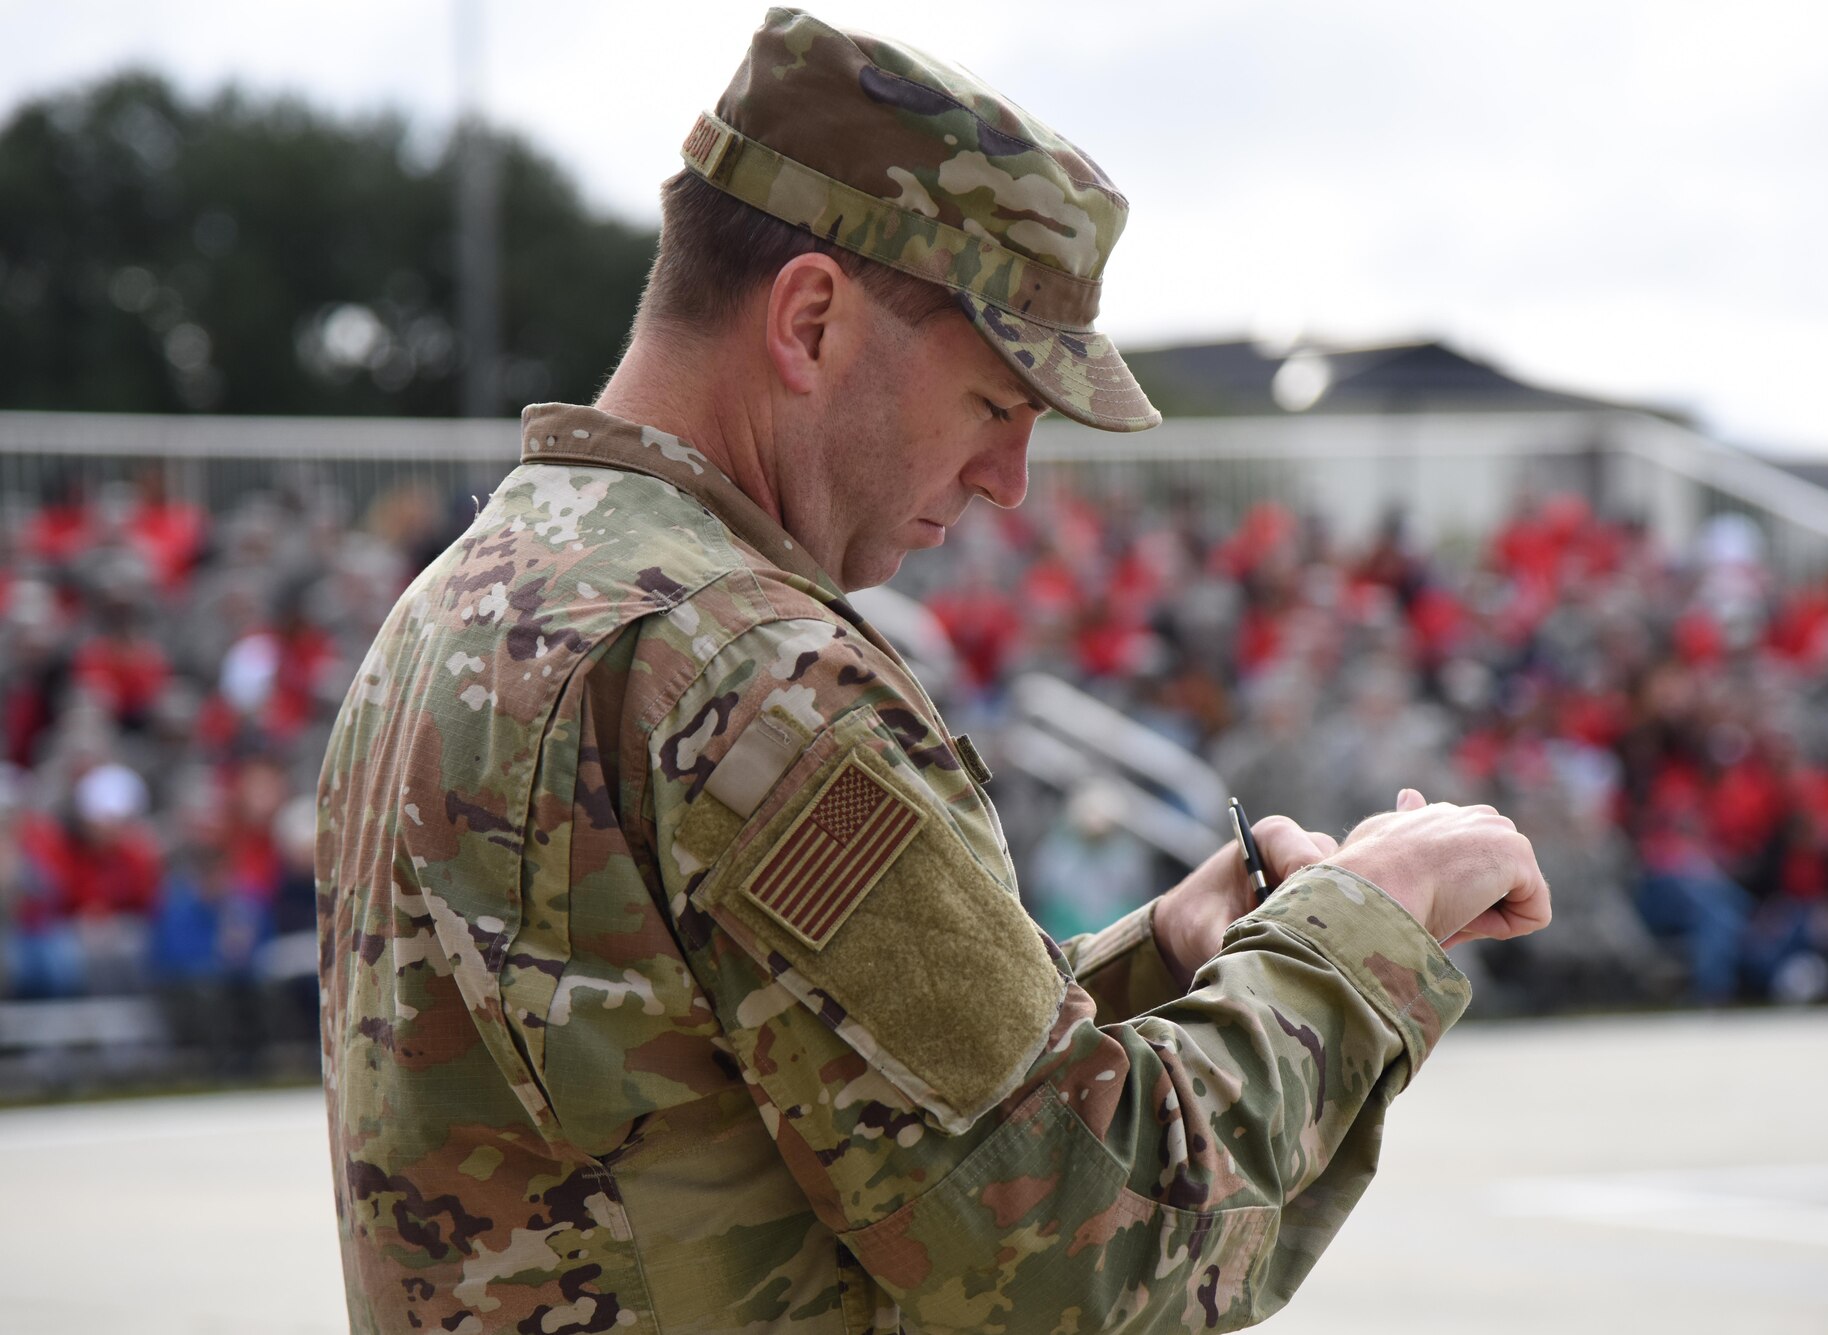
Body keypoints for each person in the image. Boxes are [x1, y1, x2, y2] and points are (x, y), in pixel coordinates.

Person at [316, 10, 1552, 1333]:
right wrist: (1359, 930)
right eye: (993, 403)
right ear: (809, 321)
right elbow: (1079, 1244)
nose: (1010, 483)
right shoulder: (751, 673)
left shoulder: (466, 600)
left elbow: (752, 1059)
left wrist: (1154, 961)